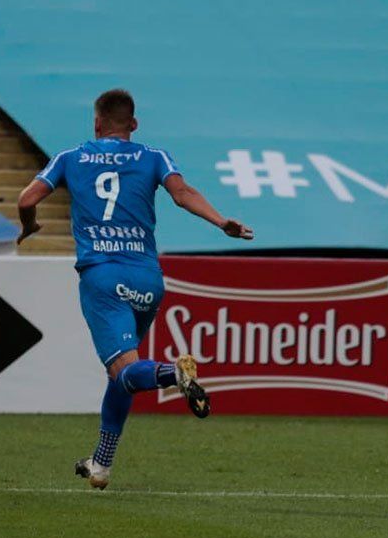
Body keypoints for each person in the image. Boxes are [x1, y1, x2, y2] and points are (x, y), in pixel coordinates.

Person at [15, 88, 253, 490]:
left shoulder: (71, 157)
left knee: (125, 369)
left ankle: (172, 372)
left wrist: (29, 226)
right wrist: (220, 222)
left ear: (96, 123)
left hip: (103, 277)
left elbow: (27, 198)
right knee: (122, 374)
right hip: (147, 279)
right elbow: (183, 194)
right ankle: (101, 463)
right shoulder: (153, 156)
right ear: (134, 125)